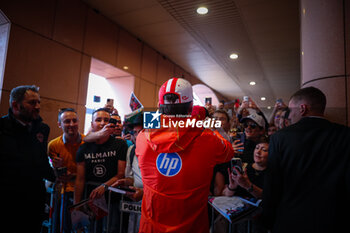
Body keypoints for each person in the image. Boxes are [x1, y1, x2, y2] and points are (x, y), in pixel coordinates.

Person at [135, 77, 234, 232]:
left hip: (151, 227)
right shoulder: (208, 138)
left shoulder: (142, 137)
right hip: (191, 227)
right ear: (190, 106)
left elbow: (158, 121)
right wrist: (203, 116)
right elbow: (228, 151)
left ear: (159, 105)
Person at [262, 86, 350, 233]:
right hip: (335, 221)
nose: (289, 116)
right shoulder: (345, 135)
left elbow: (273, 183)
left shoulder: (280, 137)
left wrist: (268, 220)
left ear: (303, 108)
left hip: (291, 220)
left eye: (291, 110)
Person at [0, 85, 56, 232]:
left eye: (39, 102)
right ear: (15, 105)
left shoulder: (43, 129)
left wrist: (57, 175)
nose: (37, 107)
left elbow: (41, 161)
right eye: (32, 103)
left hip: (34, 200)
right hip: (7, 199)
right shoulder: (2, 126)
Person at [75, 108, 128, 233]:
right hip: (91, 199)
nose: (103, 123)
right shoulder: (83, 148)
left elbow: (121, 174)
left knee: (111, 229)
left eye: (106, 120)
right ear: (92, 124)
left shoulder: (120, 145)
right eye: (98, 120)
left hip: (112, 199)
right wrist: (77, 206)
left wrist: (104, 186)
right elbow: (80, 178)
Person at [48, 108, 85, 232]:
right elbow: (52, 170)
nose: (71, 124)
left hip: (85, 191)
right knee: (64, 227)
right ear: (59, 124)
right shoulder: (53, 145)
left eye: (74, 121)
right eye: (67, 121)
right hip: (64, 192)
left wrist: (74, 175)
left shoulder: (87, 143)